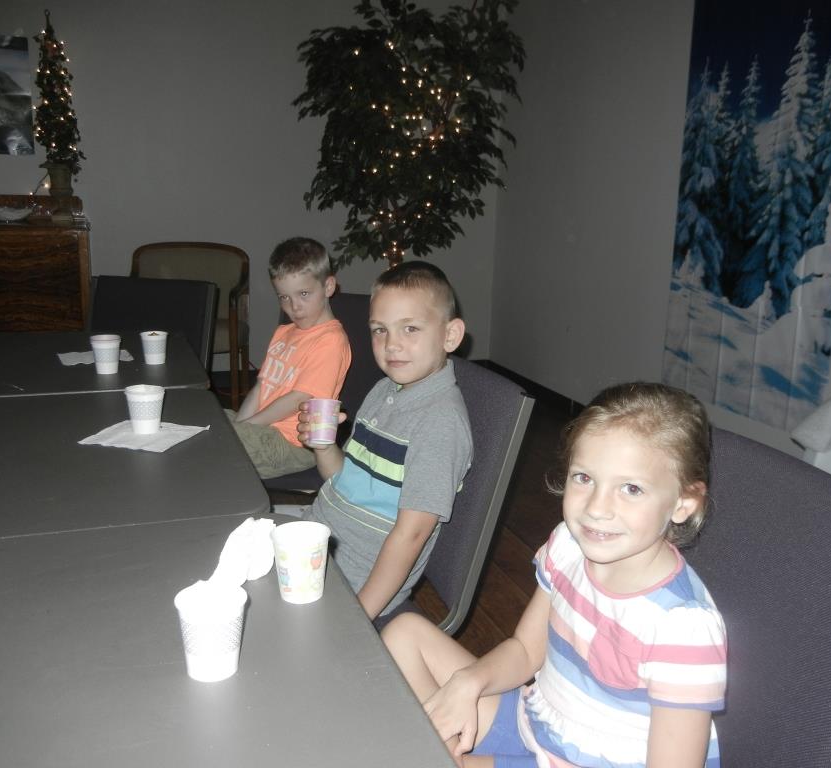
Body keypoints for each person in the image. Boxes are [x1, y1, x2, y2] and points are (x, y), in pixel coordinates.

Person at [382, 382, 727, 768]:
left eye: (631, 488)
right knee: (403, 634)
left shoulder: (682, 627)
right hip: (539, 718)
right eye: (584, 478)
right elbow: (526, 650)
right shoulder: (568, 546)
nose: (596, 508)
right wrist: (469, 682)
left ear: (683, 503)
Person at [292, 261, 472, 620]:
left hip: (355, 579)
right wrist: (324, 447)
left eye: (410, 328)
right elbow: (343, 480)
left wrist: (359, 618)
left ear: (450, 336)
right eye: (380, 330)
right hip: (318, 542)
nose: (392, 345)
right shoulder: (384, 391)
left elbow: (411, 535)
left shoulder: (440, 422)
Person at [229, 237, 351, 479]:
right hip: (263, 430)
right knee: (210, 422)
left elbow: (299, 398)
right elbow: (261, 388)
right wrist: (239, 425)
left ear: (328, 287)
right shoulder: (283, 333)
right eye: (284, 297)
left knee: (215, 447)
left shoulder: (331, 340)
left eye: (304, 293)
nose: (294, 307)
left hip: (295, 443)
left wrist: (245, 428)